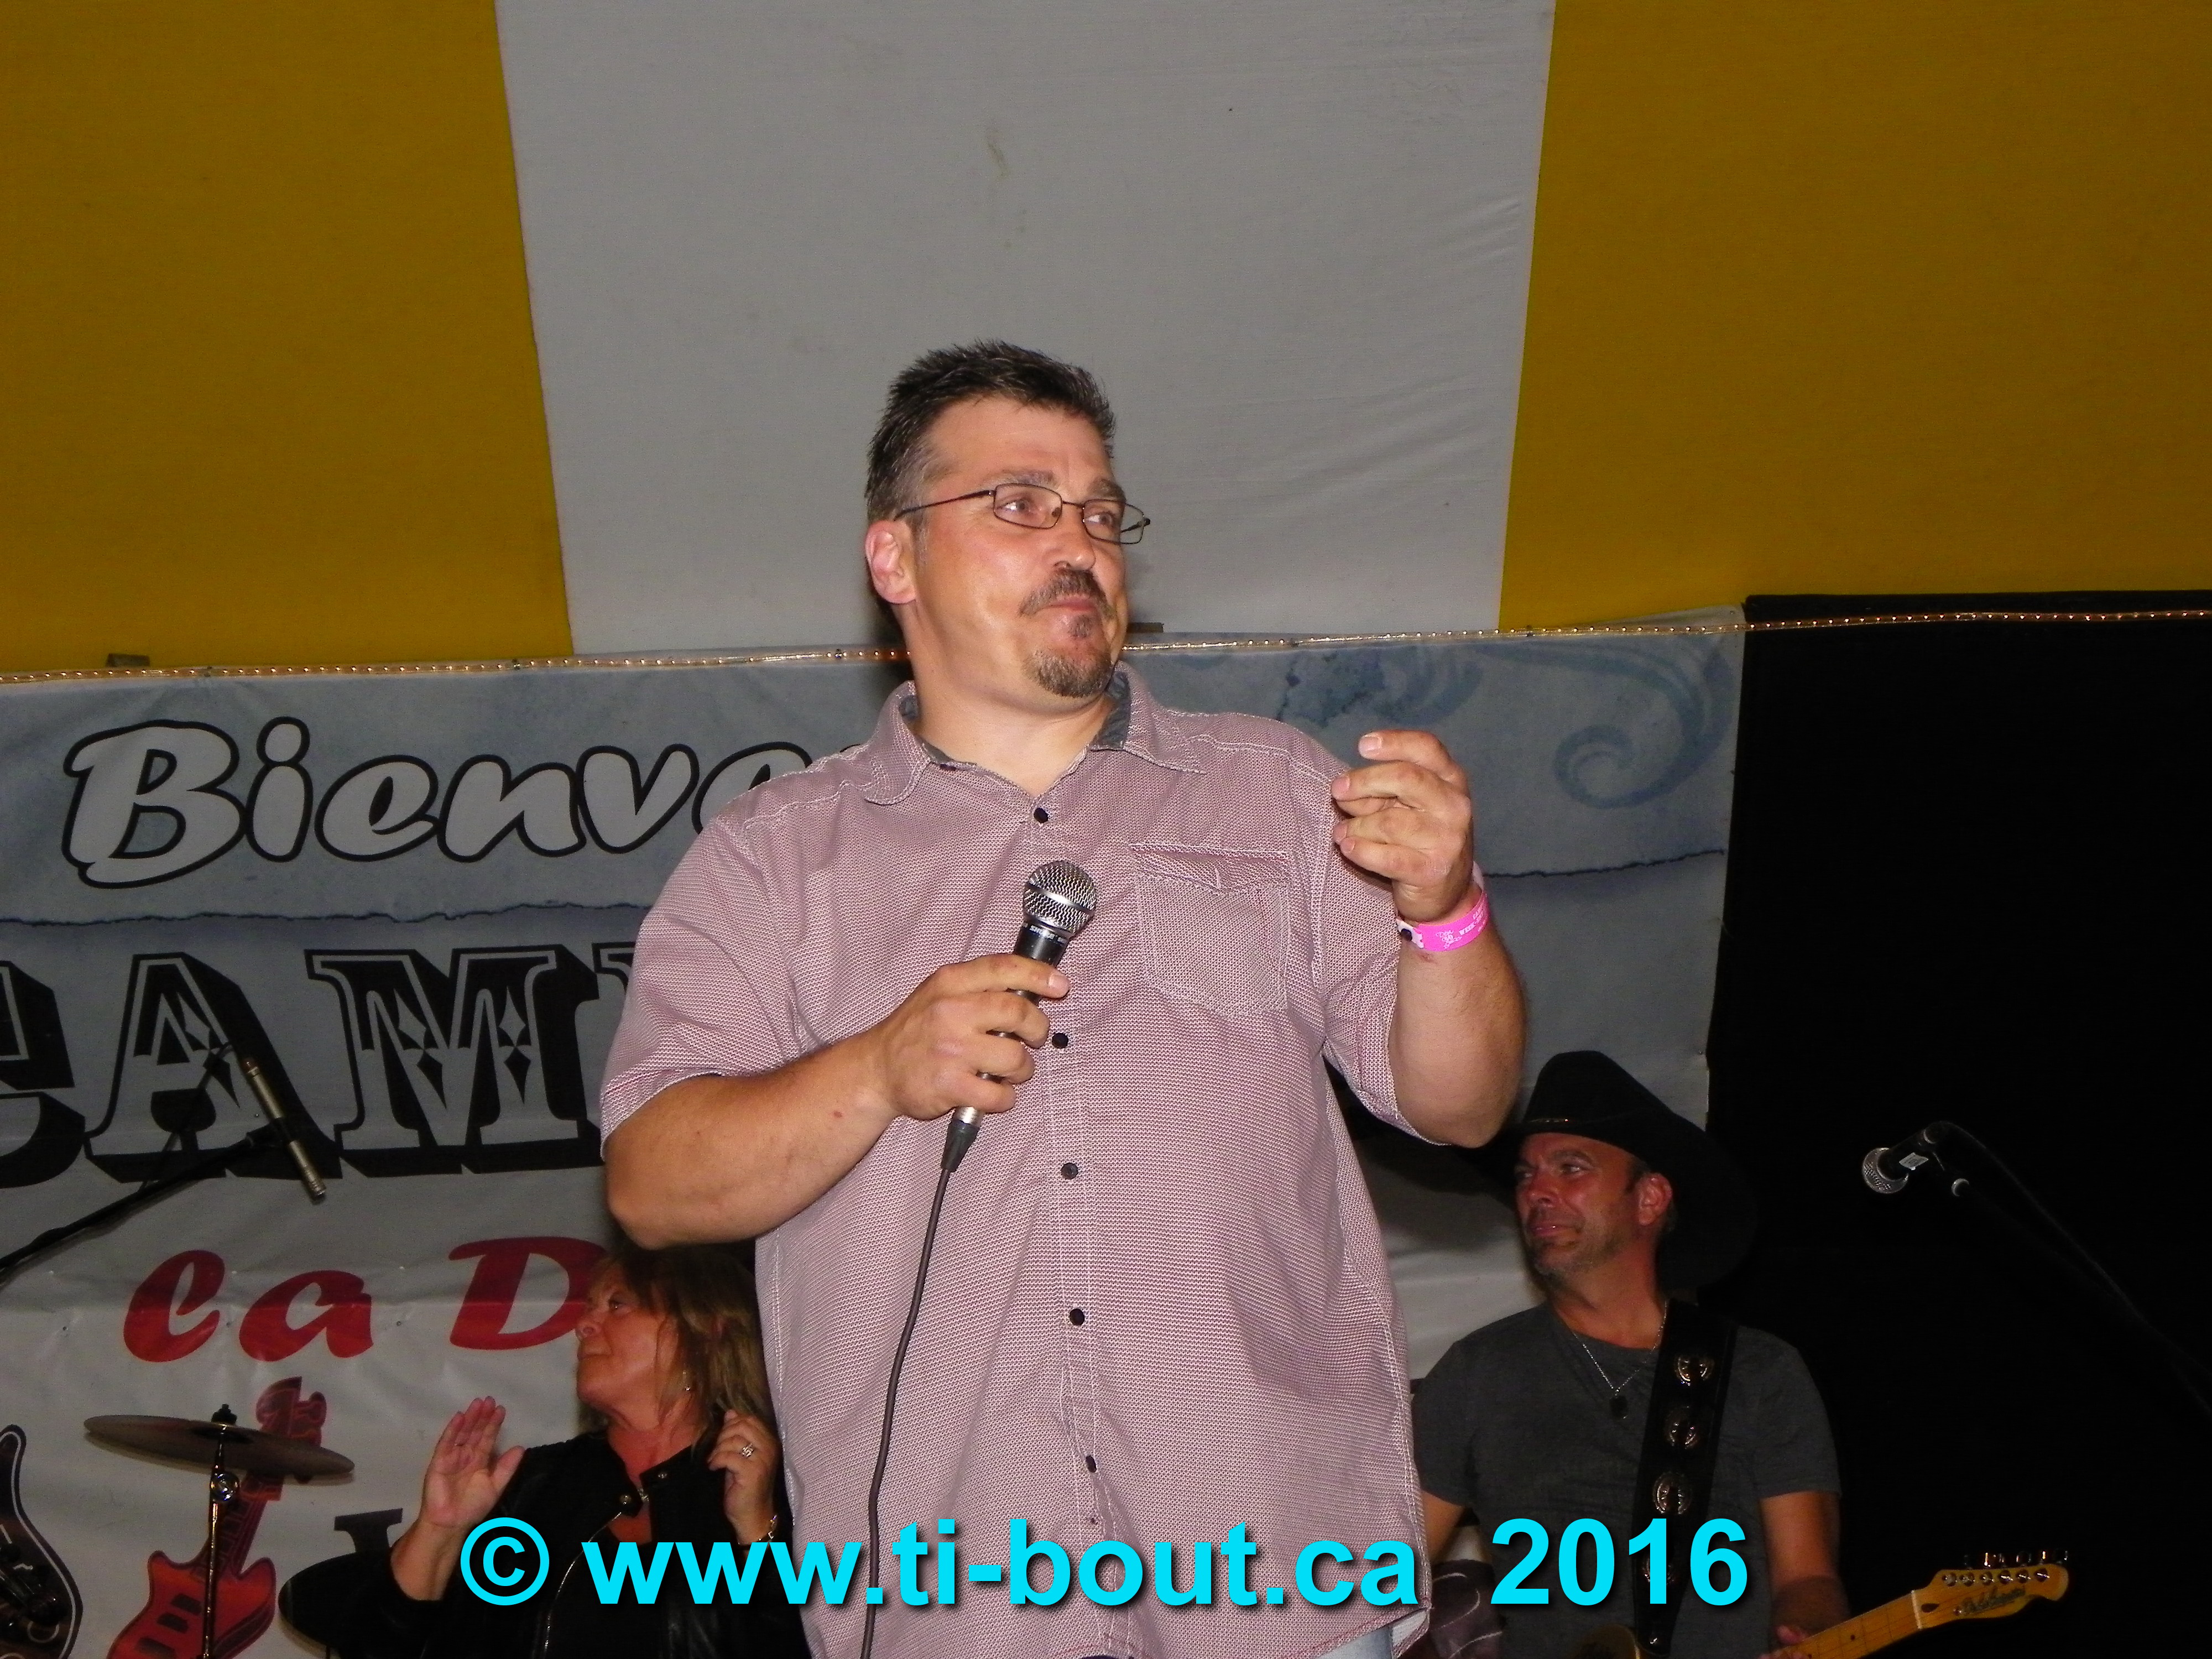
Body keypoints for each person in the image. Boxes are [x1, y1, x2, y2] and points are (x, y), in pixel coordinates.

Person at [598, 341, 1525, 1658]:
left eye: (1100, 512)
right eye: (1022, 504)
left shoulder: (1273, 792)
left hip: (1273, 1585)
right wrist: (875, 1068)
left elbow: (1464, 1105)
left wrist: (1447, 908)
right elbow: (650, 1179)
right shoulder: (774, 857)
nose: (1078, 543)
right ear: (894, 558)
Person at [1413, 1052, 1847, 1659]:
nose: (1537, 1191)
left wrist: (1807, 1636)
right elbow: (1389, 1578)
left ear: (1650, 1199)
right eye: (1525, 1175)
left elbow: (1808, 1580)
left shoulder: (1759, 1372)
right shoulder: (1477, 1373)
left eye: (1571, 1168)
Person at [280, 1241, 810, 1658]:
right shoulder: (536, 1485)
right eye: (590, 1307)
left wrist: (757, 1531)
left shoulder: (781, 1488)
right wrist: (439, 1531)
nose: (584, 1325)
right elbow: (380, 1647)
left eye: (618, 1304)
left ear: (706, 1331)